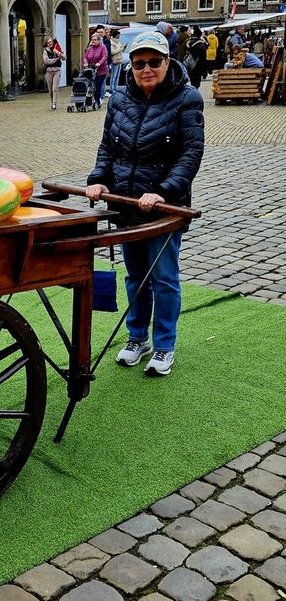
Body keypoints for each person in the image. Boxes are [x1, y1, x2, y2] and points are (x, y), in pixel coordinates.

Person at [85, 30, 204, 377]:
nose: (146, 69)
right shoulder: (119, 99)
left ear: (167, 62)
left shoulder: (187, 98)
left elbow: (191, 152)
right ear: (131, 67)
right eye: (139, 63)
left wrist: (164, 191)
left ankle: (164, 344)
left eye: (154, 62)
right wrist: (99, 179)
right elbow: (107, 146)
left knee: (164, 277)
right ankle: (137, 338)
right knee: (136, 275)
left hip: (163, 208)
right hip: (126, 202)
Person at [83, 33, 108, 109]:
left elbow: (105, 56)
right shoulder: (89, 48)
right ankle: (88, 100)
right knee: (89, 86)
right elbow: (85, 57)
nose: (92, 41)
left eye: (94, 40)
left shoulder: (103, 47)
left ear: (99, 40)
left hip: (101, 71)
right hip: (91, 70)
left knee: (97, 86)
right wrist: (85, 63)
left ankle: (97, 100)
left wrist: (99, 63)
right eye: (92, 40)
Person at [42, 36, 65, 110]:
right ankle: (52, 101)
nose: (50, 43)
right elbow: (46, 61)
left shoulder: (56, 48)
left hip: (57, 70)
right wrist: (55, 59)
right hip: (48, 71)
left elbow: (64, 58)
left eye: (51, 41)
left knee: (54, 88)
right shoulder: (45, 51)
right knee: (50, 90)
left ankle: (54, 103)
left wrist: (59, 53)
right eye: (48, 42)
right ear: (46, 43)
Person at [108, 28, 124, 94]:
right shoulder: (112, 42)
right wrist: (120, 49)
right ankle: (112, 88)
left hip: (119, 60)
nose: (119, 36)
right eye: (118, 35)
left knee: (117, 76)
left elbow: (120, 51)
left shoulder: (118, 42)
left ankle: (116, 87)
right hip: (115, 60)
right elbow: (112, 52)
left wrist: (123, 48)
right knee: (114, 75)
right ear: (116, 35)